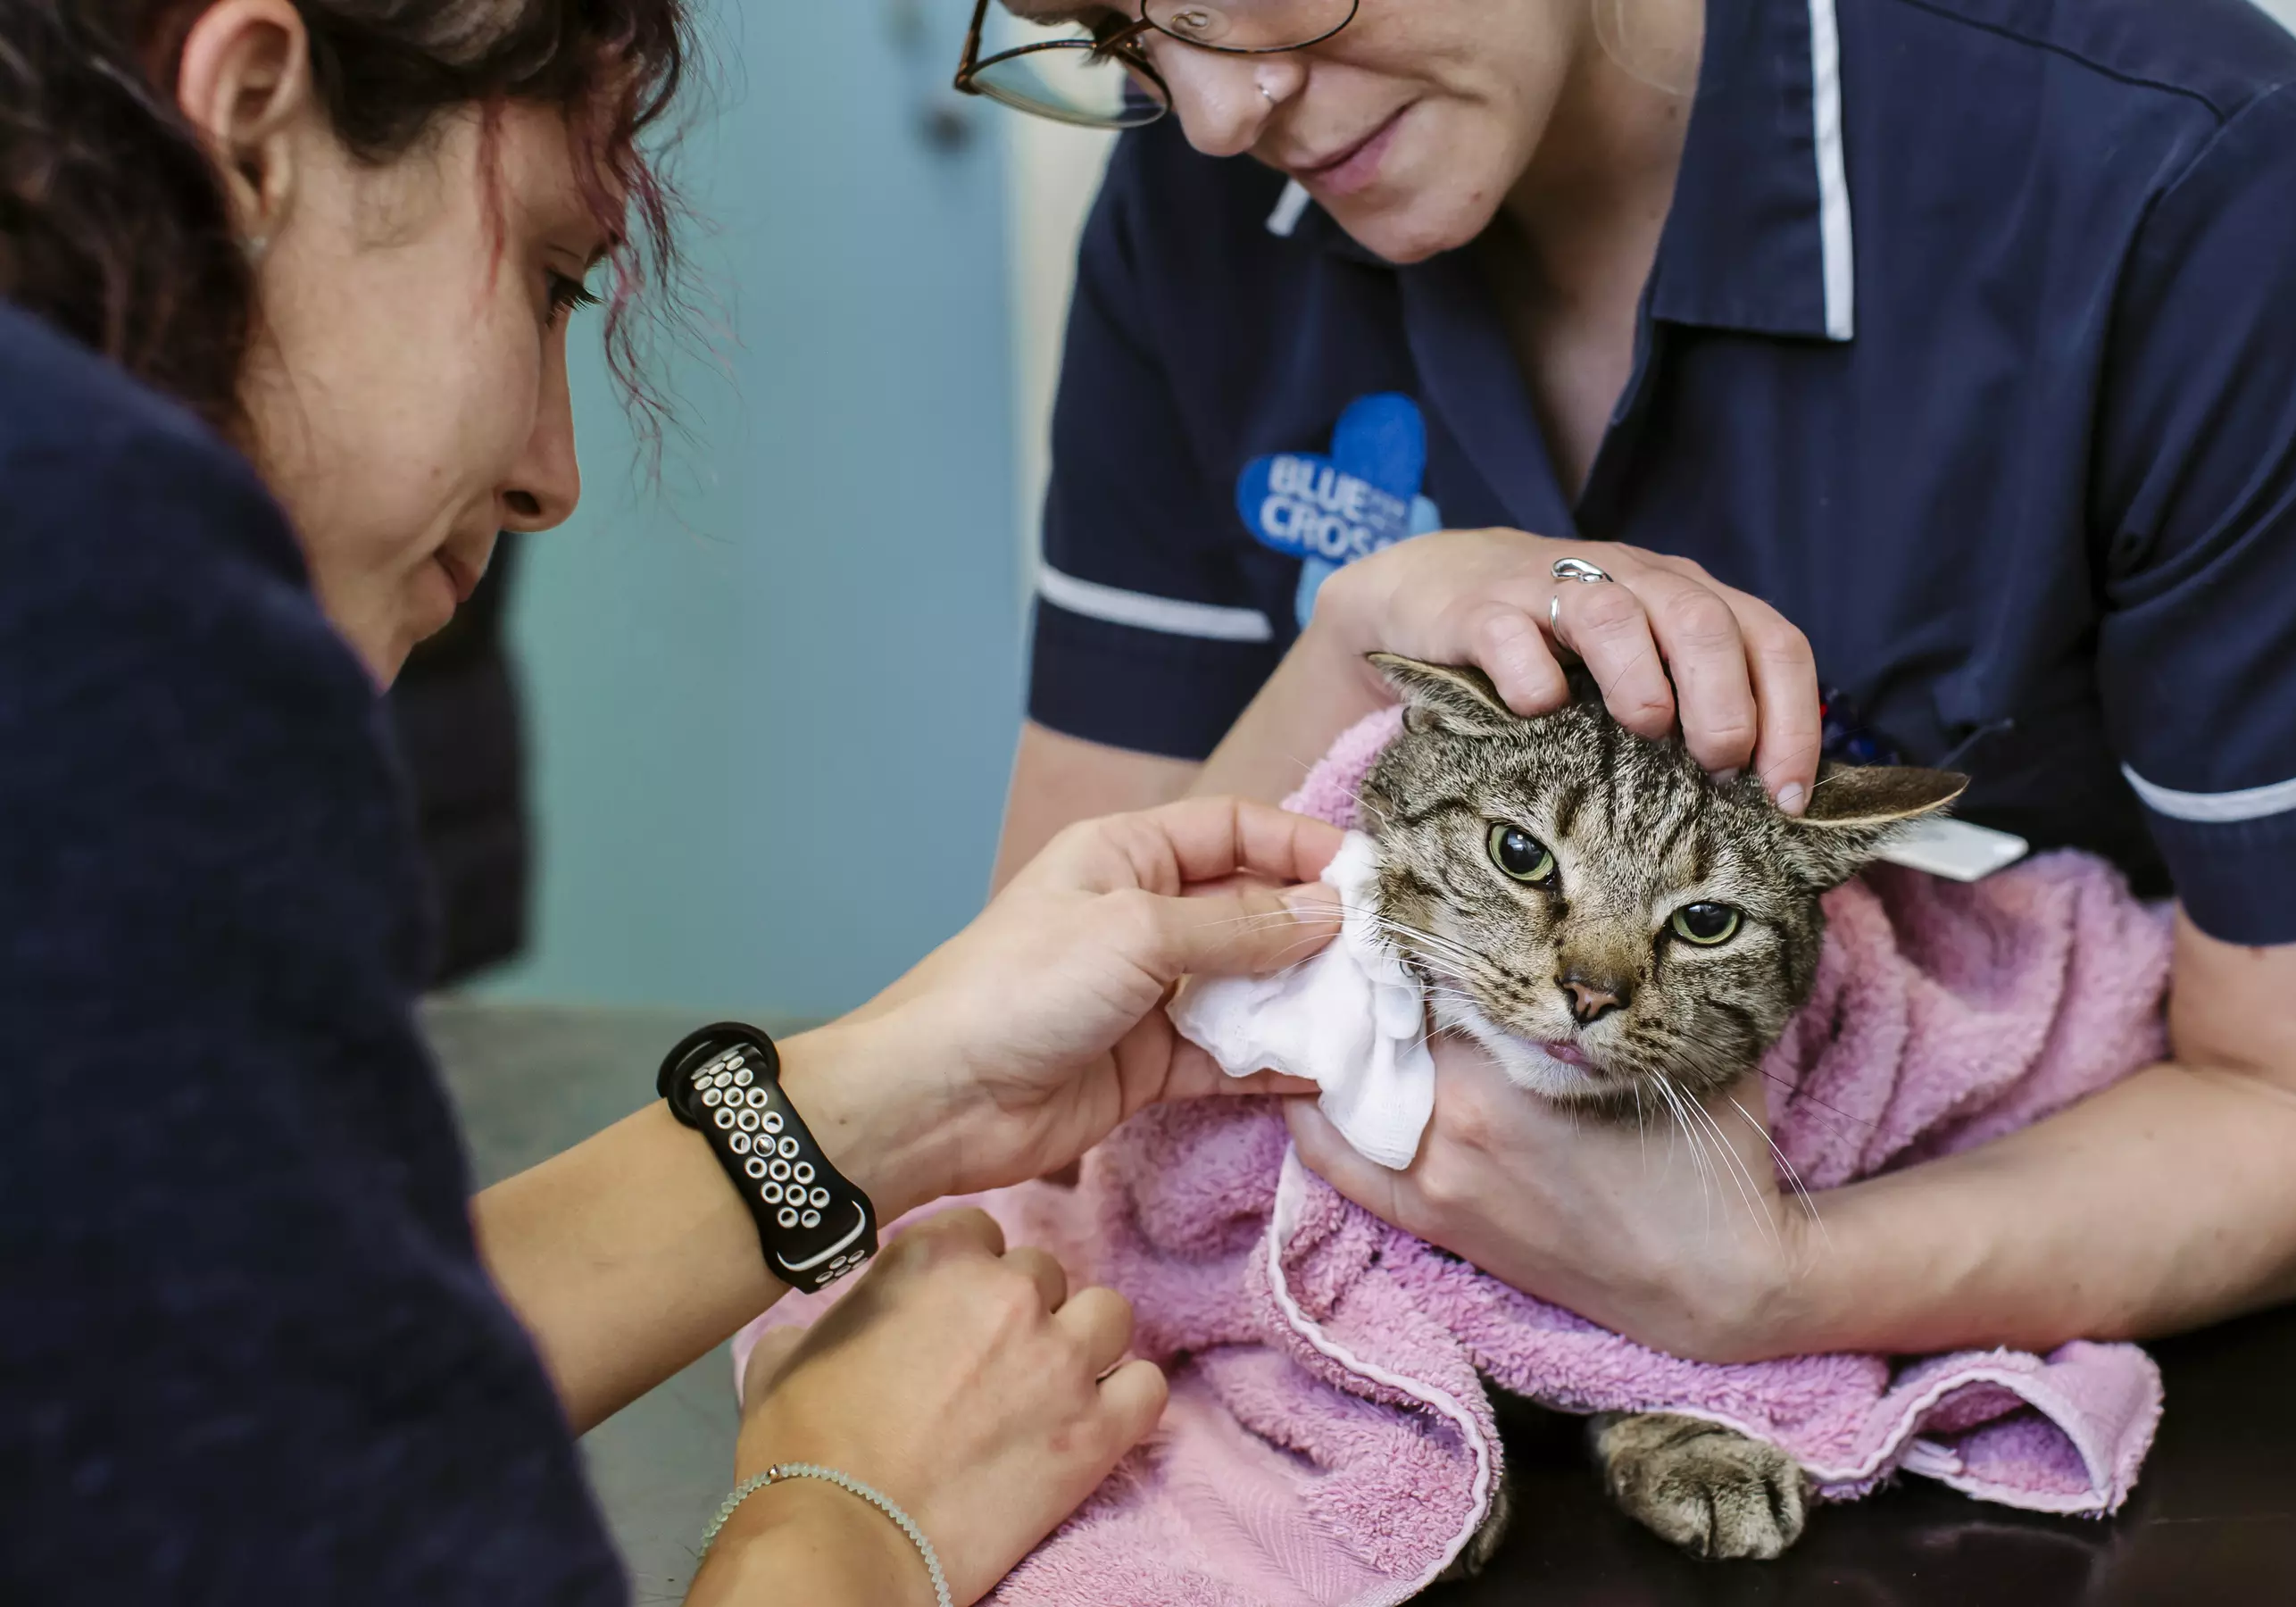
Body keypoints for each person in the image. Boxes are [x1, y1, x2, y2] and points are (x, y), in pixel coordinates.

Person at [985, 0, 2296, 1361]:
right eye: (1117, 26)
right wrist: (1352, 645)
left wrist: (1763, 1281)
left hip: (2023, 1353)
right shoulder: (1192, 206)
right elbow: (1047, 1024)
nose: (1204, 113)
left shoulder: (2196, 185)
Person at [0, 4, 1344, 1603]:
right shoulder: (91, 580)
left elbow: (217, 1350)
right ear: (248, 119)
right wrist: (848, 1514)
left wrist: (908, 1088)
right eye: (552, 277)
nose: (554, 473)